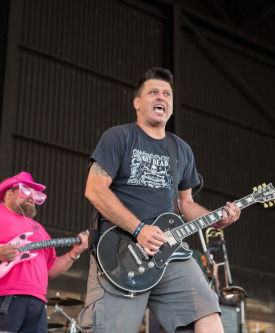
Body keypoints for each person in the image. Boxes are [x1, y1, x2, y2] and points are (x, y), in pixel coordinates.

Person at [79, 67, 241, 333]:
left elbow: (185, 205)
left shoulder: (181, 149)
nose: (161, 98)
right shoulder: (119, 137)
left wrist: (217, 219)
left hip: (171, 253)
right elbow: (94, 190)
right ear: (137, 102)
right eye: (153, 92)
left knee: (208, 312)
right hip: (121, 253)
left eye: (167, 94)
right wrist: (139, 230)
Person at [0, 171, 89, 332]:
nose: (31, 197)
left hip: (36, 305)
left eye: (35, 194)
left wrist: (74, 253)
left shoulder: (40, 230)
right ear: (8, 193)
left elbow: (49, 270)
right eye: (25, 190)